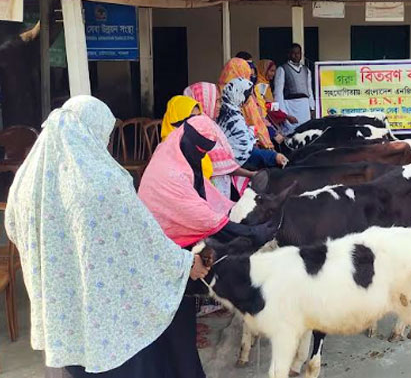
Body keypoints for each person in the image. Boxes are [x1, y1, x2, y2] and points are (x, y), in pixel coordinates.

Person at [5, 96, 209, 377]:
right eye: (106, 135)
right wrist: (185, 263)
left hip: (63, 314)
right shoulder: (104, 184)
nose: (107, 144)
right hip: (113, 325)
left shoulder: (26, 184)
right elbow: (143, 241)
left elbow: (14, 229)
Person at [139, 114, 273, 378]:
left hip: (175, 256)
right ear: (186, 138)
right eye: (199, 150)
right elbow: (198, 214)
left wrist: (235, 215)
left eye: (205, 152)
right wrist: (249, 233)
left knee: (180, 323)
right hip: (162, 257)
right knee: (175, 327)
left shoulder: (181, 154)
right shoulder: (169, 172)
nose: (200, 156)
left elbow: (205, 198)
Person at [184, 82, 256, 198]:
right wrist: (251, 174)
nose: (219, 105)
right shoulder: (203, 131)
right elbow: (222, 166)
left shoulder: (211, 124)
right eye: (216, 101)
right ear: (204, 102)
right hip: (210, 193)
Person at [219, 77, 288, 170]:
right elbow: (244, 152)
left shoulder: (230, 111)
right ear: (239, 94)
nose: (251, 99)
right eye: (249, 95)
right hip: (240, 162)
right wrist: (273, 156)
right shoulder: (232, 118)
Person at [219, 57, 275, 149]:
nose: (250, 78)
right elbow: (253, 120)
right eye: (248, 74)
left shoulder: (218, 92)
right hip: (244, 145)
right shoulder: (243, 94)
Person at [160, 95, 213, 179]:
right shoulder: (172, 149)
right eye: (192, 117)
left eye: (199, 116)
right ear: (177, 118)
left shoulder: (193, 141)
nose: (197, 121)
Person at [274, 43, 315, 133]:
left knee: (305, 132)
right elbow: (278, 93)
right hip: (290, 106)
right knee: (291, 133)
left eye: (298, 53)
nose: (296, 55)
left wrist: (312, 108)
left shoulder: (306, 70)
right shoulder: (282, 69)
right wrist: (284, 114)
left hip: (304, 107)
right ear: (289, 54)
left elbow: (309, 90)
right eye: (293, 53)